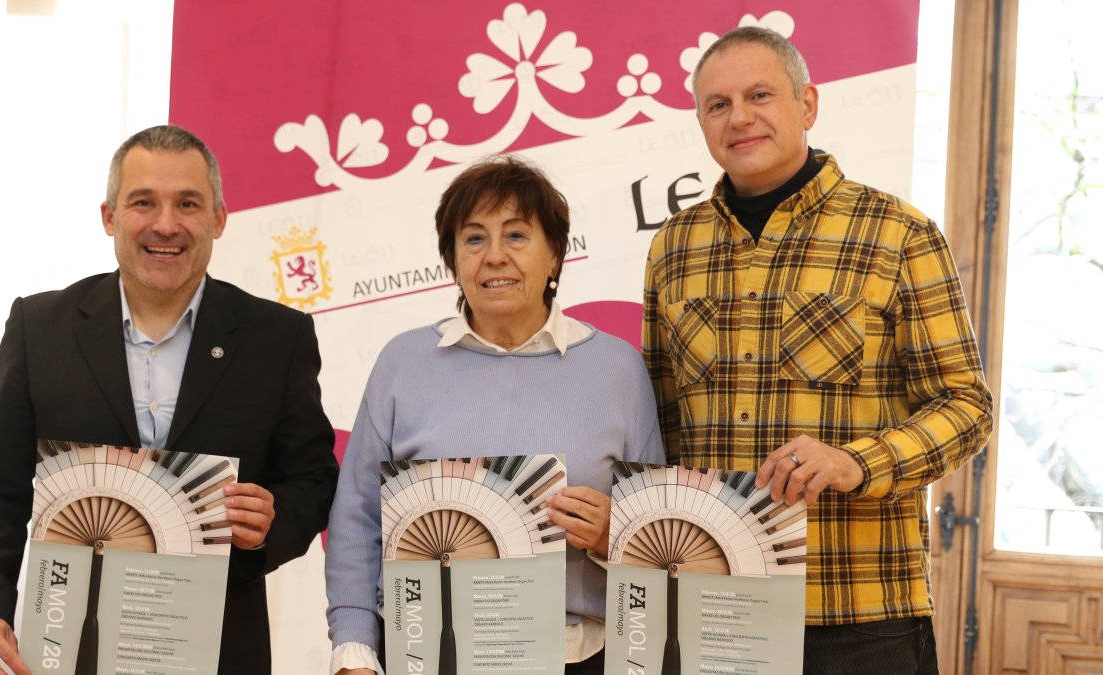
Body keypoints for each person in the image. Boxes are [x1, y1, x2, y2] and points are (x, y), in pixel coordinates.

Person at [642, 26, 993, 674]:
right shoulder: (673, 248)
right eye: (717, 105)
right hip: (716, 607)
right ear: (700, 123)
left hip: (859, 618)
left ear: (807, 105)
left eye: (759, 95)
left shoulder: (899, 234)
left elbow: (968, 406)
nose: (739, 117)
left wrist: (856, 461)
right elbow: (662, 425)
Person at [0, 124, 338, 675]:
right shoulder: (40, 328)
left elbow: (315, 479)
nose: (166, 224)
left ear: (219, 219)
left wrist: (274, 521)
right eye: (143, 203)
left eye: (188, 203)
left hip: (221, 650)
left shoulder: (279, 337)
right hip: (64, 647)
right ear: (109, 217)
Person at [325, 155, 664, 675]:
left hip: (582, 658)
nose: (495, 256)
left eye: (517, 236)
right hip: (427, 654)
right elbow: (357, 519)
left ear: (554, 256)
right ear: (453, 258)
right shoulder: (403, 362)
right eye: (475, 238)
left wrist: (612, 535)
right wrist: (353, 651)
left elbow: (657, 537)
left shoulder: (617, 369)